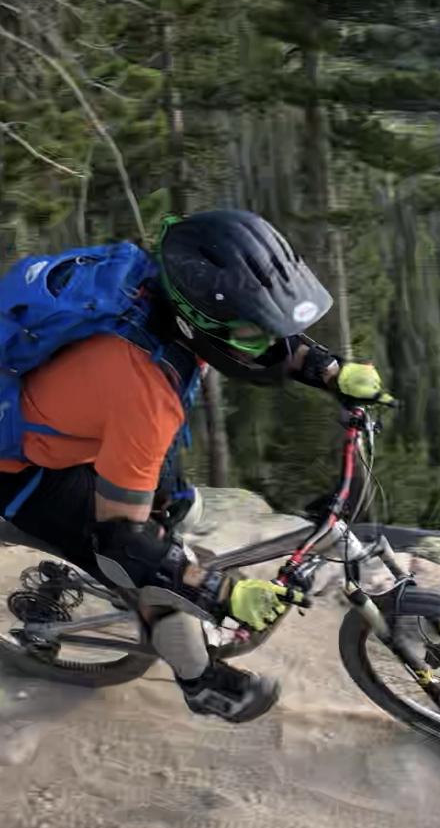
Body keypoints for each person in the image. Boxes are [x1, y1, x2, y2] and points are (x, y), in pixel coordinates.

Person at [0, 210, 385, 723]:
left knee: (184, 512)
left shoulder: (156, 286)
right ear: (198, 322)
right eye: (253, 331)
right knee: (147, 570)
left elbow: (266, 334)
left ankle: (96, 575)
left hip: (75, 426)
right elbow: (124, 540)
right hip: (20, 468)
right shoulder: (145, 392)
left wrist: (333, 372)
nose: (269, 342)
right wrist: (219, 591)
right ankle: (201, 683)